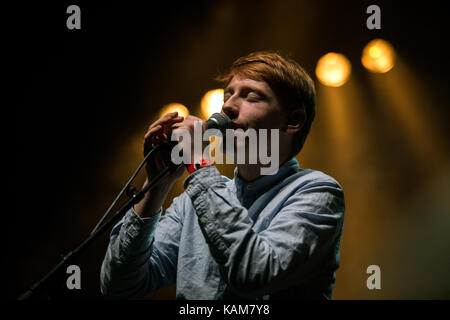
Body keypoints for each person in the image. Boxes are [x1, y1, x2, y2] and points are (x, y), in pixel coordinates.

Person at [100, 51, 345, 299]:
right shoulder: (192, 204)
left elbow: (254, 273)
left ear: (294, 120)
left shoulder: (318, 192)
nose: (227, 106)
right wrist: (156, 184)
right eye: (228, 94)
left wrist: (198, 162)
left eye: (251, 97)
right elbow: (120, 286)